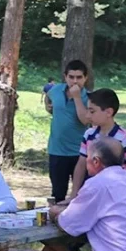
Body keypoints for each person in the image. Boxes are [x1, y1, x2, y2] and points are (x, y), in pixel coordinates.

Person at [69, 88, 126, 198]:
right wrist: (74, 194)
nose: (88, 115)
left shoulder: (124, 138)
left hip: (116, 195)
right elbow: (81, 164)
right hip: (93, 191)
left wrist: (120, 184)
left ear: (108, 112)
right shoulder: (89, 134)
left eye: (92, 111)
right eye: (88, 110)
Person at [45, 60, 90, 202]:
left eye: (79, 77)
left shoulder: (89, 97)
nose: (75, 81)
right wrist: (49, 107)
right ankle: (57, 220)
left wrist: (76, 97)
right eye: (71, 77)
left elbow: (85, 120)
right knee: (58, 193)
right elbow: (48, 93)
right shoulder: (56, 90)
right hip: (57, 151)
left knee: (82, 193)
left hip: (80, 153)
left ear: (85, 78)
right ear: (65, 77)